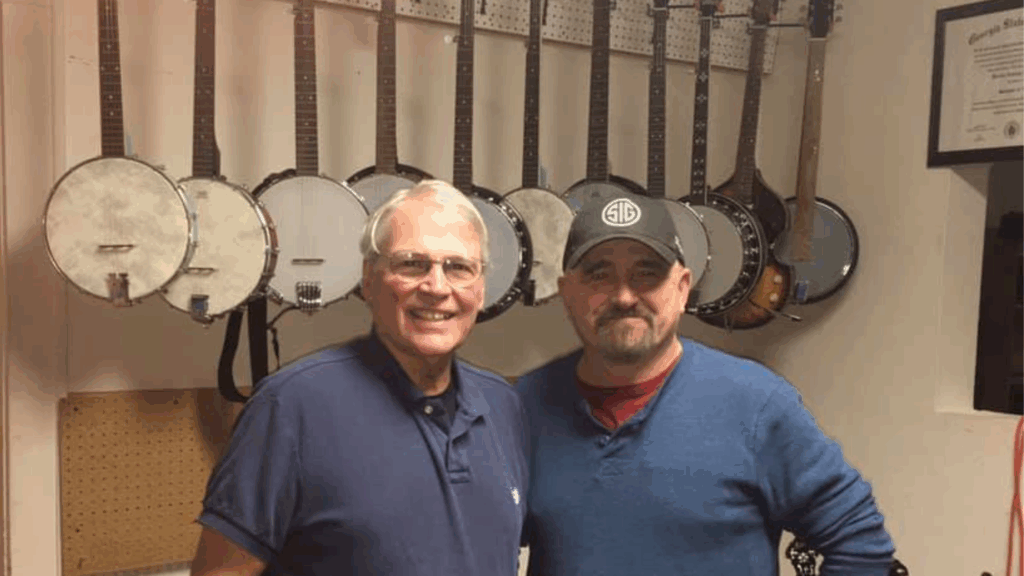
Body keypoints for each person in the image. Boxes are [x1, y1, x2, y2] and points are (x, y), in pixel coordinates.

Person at [516, 192, 896, 575]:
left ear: (682, 288)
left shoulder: (756, 405)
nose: (625, 296)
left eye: (647, 273)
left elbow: (860, 543)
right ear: (567, 293)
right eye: (599, 274)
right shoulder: (522, 408)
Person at [189, 180, 529, 576]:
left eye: (458, 267)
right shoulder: (291, 406)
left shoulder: (503, 405)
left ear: (482, 287)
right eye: (411, 264)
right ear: (369, 279)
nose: (437, 287)